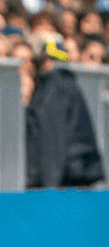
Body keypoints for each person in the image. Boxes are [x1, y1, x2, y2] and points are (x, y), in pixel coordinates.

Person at [25, 36, 104, 188]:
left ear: (47, 61)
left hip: (66, 183)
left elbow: (53, 141)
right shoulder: (65, 84)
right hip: (75, 177)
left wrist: (50, 190)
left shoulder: (54, 89)